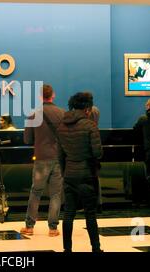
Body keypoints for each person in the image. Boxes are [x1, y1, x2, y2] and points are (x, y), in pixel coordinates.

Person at [58, 92, 103, 252]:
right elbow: (97, 153)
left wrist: (65, 172)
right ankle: (96, 248)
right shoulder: (90, 126)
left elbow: (60, 154)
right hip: (86, 175)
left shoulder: (62, 126)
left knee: (68, 213)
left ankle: (67, 249)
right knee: (90, 214)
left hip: (69, 174)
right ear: (86, 108)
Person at [21, 84, 65, 237]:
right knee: (56, 194)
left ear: (40, 97)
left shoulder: (33, 114)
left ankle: (29, 226)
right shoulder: (62, 114)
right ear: (53, 95)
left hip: (41, 158)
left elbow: (27, 139)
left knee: (36, 192)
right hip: (58, 158)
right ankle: (53, 228)